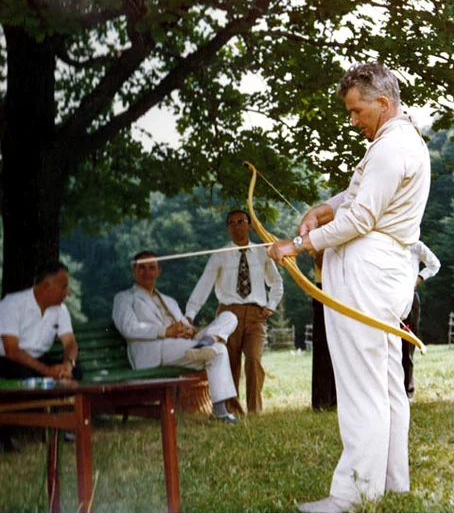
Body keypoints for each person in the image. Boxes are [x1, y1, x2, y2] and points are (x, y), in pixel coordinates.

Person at [268, 61, 431, 513]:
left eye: (358, 111)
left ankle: (352, 495)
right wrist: (323, 208)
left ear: (383, 102)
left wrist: (298, 245)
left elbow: (361, 218)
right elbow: (358, 197)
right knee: (385, 380)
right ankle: (392, 482)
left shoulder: (390, 147)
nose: (353, 120)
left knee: (363, 385)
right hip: (383, 272)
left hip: (367, 274)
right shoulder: (399, 142)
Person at [113, 250, 239, 425]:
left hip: (183, 345)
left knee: (229, 317)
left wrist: (189, 331)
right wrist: (165, 331)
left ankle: (205, 342)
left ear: (159, 272)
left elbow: (184, 325)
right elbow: (128, 328)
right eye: (141, 268)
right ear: (134, 271)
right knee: (220, 350)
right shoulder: (125, 298)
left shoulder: (168, 300)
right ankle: (220, 411)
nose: (147, 272)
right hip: (157, 348)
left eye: (152, 267)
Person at [185, 210, 283, 416]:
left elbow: (276, 282)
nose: (236, 226)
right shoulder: (219, 255)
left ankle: (255, 409)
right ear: (228, 228)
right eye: (231, 223)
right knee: (230, 362)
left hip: (256, 315)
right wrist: (190, 314)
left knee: (254, 360)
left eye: (241, 221)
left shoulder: (262, 251)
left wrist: (272, 304)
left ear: (249, 225)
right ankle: (232, 409)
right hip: (228, 315)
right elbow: (204, 285)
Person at [0, 261, 81, 452]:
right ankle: (5, 434)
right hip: (8, 360)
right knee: (20, 371)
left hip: (37, 359)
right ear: (47, 286)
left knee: (77, 370)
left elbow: (70, 343)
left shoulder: (60, 309)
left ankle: (63, 426)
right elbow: (11, 350)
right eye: (64, 287)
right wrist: (47, 371)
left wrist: (67, 364)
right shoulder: (12, 304)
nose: (67, 293)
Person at [401, 240, 440, 401]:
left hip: (409, 297)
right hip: (387, 298)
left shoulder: (416, 245)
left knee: (408, 345)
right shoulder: (386, 242)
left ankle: (407, 391)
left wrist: (418, 279)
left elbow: (434, 264)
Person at [310, 252, 336, 411]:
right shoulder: (320, 229)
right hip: (324, 288)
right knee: (323, 345)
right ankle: (323, 399)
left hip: (343, 287)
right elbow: (320, 260)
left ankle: (335, 398)